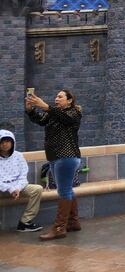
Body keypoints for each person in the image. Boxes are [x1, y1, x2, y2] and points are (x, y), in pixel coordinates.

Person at [25, 89, 82, 241]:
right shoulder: (54, 113)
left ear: (69, 100)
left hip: (67, 156)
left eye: (60, 97)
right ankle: (73, 222)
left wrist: (46, 106)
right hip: (56, 157)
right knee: (67, 189)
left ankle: (59, 228)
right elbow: (41, 120)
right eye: (56, 96)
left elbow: (65, 119)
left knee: (63, 192)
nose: (56, 99)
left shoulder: (73, 113)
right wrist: (30, 110)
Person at [0, 129, 43, 232]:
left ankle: (25, 222)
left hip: (18, 188)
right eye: (1, 142)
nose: (4, 144)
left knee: (37, 189)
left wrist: (17, 188)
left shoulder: (18, 156)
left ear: (12, 142)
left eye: (7, 141)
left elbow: (23, 176)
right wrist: (10, 189)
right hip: (2, 189)